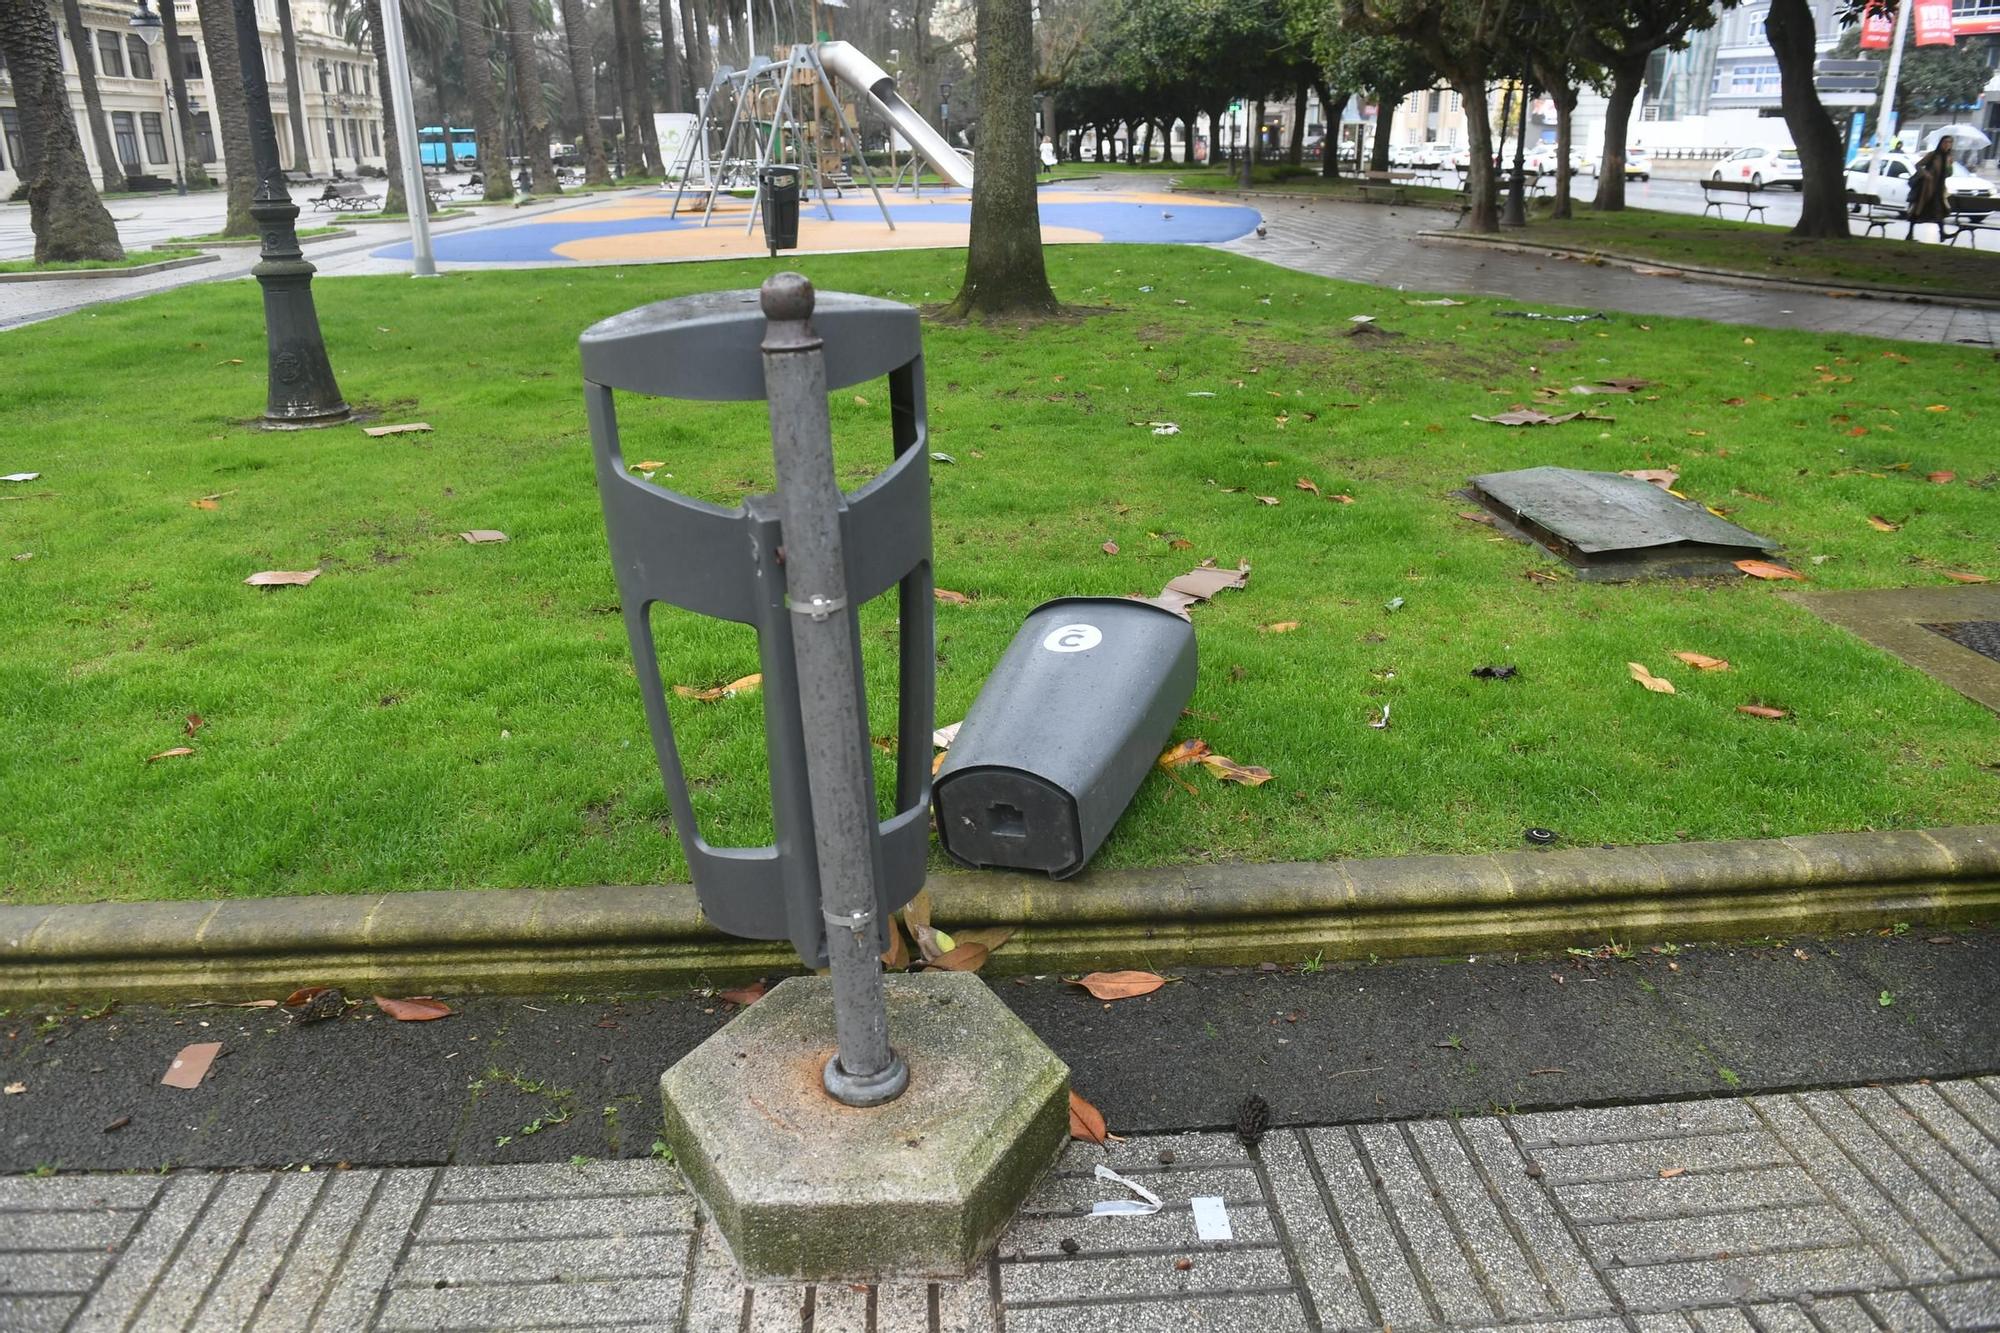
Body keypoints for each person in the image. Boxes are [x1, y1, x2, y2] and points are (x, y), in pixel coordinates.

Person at [1906, 135, 1953, 241]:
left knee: (1939, 210)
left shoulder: (1949, 157)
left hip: (1939, 188)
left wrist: (1949, 167)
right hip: (1927, 187)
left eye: (1950, 142)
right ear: (1941, 143)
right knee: (1918, 209)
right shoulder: (1933, 155)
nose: (1947, 144)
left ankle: (1942, 234)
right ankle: (1910, 234)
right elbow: (1918, 165)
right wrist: (1925, 174)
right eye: (1945, 142)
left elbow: (1948, 174)